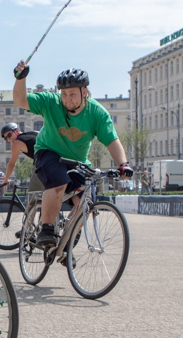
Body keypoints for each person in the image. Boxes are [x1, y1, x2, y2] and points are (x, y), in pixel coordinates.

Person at [12, 63, 132, 247]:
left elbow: (112, 140)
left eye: (72, 94)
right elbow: (21, 100)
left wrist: (123, 164)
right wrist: (20, 78)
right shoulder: (52, 102)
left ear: (84, 92)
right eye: (64, 94)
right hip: (48, 152)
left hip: (77, 161)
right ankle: (47, 229)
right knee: (59, 182)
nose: (67, 99)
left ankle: (66, 241)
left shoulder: (97, 113)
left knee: (87, 199)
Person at [1, 122, 43, 194]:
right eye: (6, 138)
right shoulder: (32, 133)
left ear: (16, 131)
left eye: (9, 135)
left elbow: (11, 164)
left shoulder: (16, 143)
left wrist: (6, 179)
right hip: (58, 157)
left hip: (44, 163)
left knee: (33, 196)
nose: (8, 139)